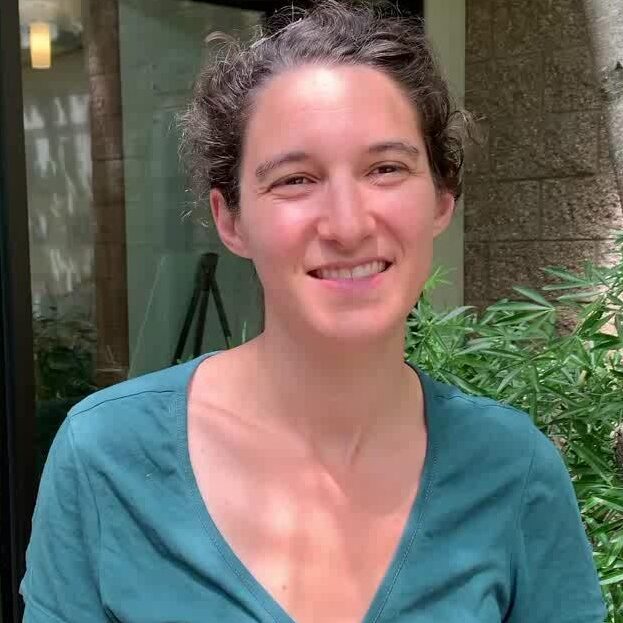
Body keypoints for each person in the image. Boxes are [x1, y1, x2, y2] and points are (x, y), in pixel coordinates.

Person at [20, 1, 605, 621]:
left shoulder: (512, 469)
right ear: (231, 219)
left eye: (386, 168)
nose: (349, 224)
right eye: (295, 179)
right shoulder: (105, 457)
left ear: (441, 198)